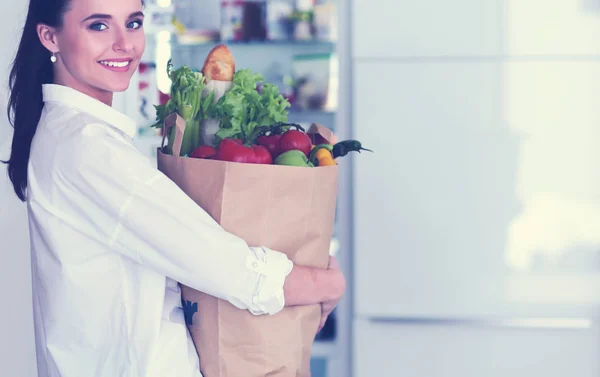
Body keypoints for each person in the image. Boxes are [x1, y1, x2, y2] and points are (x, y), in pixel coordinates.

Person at [2, 0, 346, 376]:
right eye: (98, 26)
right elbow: (230, 268)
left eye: (133, 23)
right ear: (50, 36)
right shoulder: (89, 148)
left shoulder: (67, 133)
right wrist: (325, 283)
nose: (124, 43)